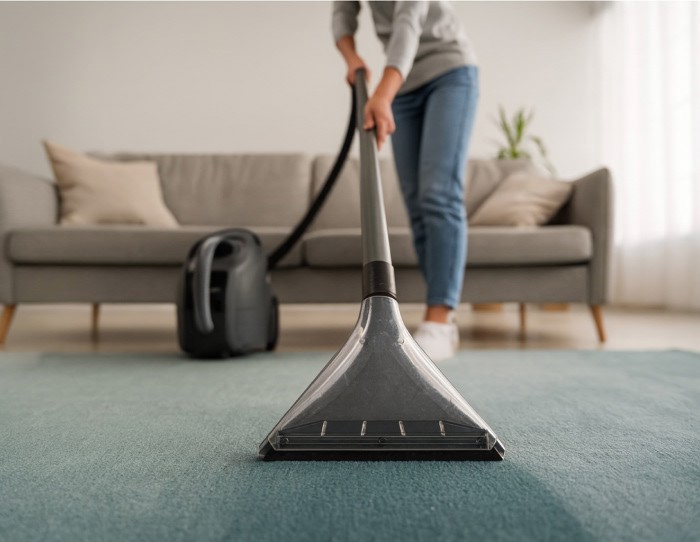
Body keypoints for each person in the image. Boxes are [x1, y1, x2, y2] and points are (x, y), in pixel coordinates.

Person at [332, 1, 479, 361]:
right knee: (416, 203)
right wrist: (351, 57)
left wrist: (382, 93)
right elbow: (342, 13)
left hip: (449, 72)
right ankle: (442, 318)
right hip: (403, 86)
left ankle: (440, 320)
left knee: (438, 194)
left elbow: (408, 19)